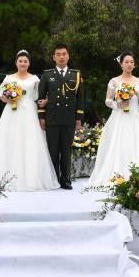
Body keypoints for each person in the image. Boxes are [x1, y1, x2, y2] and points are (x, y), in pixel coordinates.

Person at [0, 50, 59, 190]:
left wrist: (45, 101)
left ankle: (31, 179)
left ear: (29, 63)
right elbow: (1, 95)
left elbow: (40, 95)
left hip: (29, 112)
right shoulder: (9, 78)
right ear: (16, 63)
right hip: (12, 112)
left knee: (30, 141)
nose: (22, 63)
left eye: (25, 61)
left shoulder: (35, 79)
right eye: (20, 61)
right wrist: (8, 99)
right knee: (9, 140)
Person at [87, 52, 139, 187]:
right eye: (126, 62)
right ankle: (117, 174)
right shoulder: (114, 81)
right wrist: (117, 105)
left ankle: (138, 176)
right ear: (121, 64)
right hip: (119, 117)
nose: (129, 64)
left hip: (135, 117)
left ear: (134, 65)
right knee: (119, 144)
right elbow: (107, 100)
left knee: (136, 144)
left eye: (131, 62)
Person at [37, 44, 85, 189]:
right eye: (58, 54)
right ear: (54, 57)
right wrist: (42, 116)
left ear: (68, 56)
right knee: (52, 150)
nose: (61, 57)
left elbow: (80, 98)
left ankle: (65, 180)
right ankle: (54, 180)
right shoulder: (47, 75)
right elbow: (41, 97)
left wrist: (79, 117)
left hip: (69, 118)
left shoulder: (76, 75)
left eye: (64, 54)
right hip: (52, 117)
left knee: (66, 151)